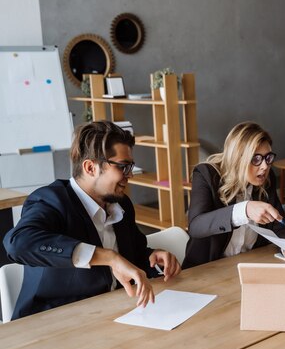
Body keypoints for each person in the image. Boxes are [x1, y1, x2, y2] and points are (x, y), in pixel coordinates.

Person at [3, 121, 181, 320]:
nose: (129, 175)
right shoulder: (50, 201)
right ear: (90, 167)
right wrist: (108, 258)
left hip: (114, 312)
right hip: (53, 322)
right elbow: (18, 243)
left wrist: (153, 257)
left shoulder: (120, 204)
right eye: (123, 167)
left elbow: (134, 255)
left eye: (130, 166)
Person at [182, 122, 285, 268]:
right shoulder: (206, 174)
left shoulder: (266, 177)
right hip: (207, 270)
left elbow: (279, 224)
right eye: (256, 159)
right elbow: (196, 226)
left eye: (268, 158)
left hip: (251, 265)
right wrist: (244, 210)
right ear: (238, 158)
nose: (265, 166)